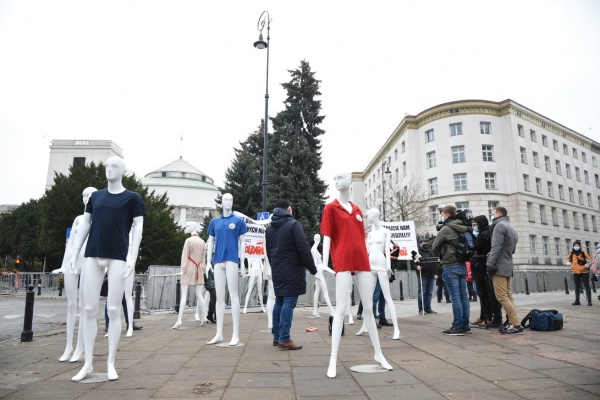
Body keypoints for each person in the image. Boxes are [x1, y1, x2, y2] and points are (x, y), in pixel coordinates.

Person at [69, 156, 146, 381]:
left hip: (118, 257)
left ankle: (111, 362)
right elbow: (86, 223)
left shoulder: (133, 198)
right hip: (93, 254)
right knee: (89, 310)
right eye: (107, 166)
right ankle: (88, 363)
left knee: (113, 310)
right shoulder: (96, 197)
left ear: (123, 171)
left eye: (114, 166)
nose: (109, 170)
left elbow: (138, 228)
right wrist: (75, 251)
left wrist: (133, 256)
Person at [321, 170, 393, 378]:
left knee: (369, 308)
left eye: (339, 177)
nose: (336, 181)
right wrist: (326, 263)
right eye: (334, 178)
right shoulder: (330, 208)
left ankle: (379, 354)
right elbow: (327, 236)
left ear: (349, 180)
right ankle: (333, 359)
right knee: (341, 309)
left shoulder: (358, 210)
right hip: (343, 261)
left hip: (362, 261)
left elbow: (361, 239)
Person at [265, 199, 317, 350]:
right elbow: (303, 248)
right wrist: (312, 268)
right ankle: (285, 338)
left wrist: (275, 264)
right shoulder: (293, 224)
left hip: (278, 269)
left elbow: (269, 251)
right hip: (292, 269)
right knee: (289, 302)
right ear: (288, 209)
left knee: (279, 301)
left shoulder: (269, 228)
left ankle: (276, 336)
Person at [54, 186, 96, 362]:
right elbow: (70, 244)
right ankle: (68, 346)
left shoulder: (99, 219)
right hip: (73, 260)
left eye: (90, 195)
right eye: (84, 195)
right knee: (71, 304)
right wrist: (63, 265)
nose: (86, 198)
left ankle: (80, 346)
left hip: (88, 262)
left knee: (84, 306)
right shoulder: (79, 219)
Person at [206, 193, 247, 346]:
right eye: (226, 200)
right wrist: (208, 261)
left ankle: (235, 334)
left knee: (234, 295)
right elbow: (210, 242)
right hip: (217, 261)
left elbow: (242, 243)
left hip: (231, 259)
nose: (228, 202)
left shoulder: (238, 221)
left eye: (231, 199)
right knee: (219, 297)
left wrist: (243, 262)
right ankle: (219, 333)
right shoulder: (214, 222)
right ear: (221, 203)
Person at [355, 209, 400, 339]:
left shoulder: (386, 231)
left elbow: (386, 249)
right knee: (368, 297)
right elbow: (366, 251)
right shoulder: (370, 234)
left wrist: (388, 266)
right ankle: (365, 325)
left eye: (367, 215)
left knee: (387, 297)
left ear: (374, 216)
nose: (366, 217)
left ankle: (396, 329)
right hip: (370, 266)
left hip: (381, 265)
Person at [431, 205, 470, 336]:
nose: (441, 217)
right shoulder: (462, 227)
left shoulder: (446, 229)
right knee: (463, 296)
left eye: (442, 214)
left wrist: (441, 255)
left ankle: (458, 326)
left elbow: (435, 247)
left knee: (455, 297)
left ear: (446, 215)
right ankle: (465, 325)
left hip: (449, 264)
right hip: (461, 264)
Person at [487, 207, 522, 335]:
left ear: (499, 214)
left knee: (501, 296)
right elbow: (511, 249)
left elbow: (496, 246)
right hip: (508, 263)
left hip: (499, 266)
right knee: (508, 296)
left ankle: (516, 325)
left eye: (493, 213)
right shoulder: (511, 227)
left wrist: (490, 263)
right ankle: (512, 322)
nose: (492, 215)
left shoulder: (499, 226)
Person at [172, 221, 207, 328]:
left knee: (184, 295)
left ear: (193, 227)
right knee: (199, 294)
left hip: (189, 268)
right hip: (198, 268)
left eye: (188, 226)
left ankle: (179, 320)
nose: (186, 227)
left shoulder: (188, 241)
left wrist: (183, 269)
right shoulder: (202, 242)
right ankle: (204, 316)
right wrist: (203, 270)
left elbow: (184, 256)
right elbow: (203, 259)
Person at [470, 215, 502, 329]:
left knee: (489, 295)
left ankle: (490, 318)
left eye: (475, 224)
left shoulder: (485, 234)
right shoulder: (483, 233)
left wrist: (472, 237)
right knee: (482, 294)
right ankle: (483, 316)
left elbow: (475, 246)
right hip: (479, 267)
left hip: (484, 267)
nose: (474, 227)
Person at [311, 234, 335, 318]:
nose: (319, 239)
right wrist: (316, 274)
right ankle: (332, 311)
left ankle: (315, 311)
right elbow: (314, 264)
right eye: (318, 237)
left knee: (317, 291)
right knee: (325, 292)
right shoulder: (314, 249)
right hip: (319, 273)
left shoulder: (314, 249)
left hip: (319, 272)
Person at [412, 237, 437, 315]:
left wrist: (436, 273)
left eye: (427, 242)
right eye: (424, 242)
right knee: (422, 293)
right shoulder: (417, 253)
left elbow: (435, 262)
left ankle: (428, 308)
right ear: (420, 243)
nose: (426, 243)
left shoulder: (430, 251)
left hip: (431, 275)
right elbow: (413, 262)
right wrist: (416, 267)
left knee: (429, 293)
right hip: (423, 275)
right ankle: (421, 309)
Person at [567, 241, 592, 306]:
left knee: (586, 286)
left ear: (580, 246)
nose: (576, 247)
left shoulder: (583, 253)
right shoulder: (572, 254)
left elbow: (589, 260)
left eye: (577, 245)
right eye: (575, 245)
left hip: (584, 271)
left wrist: (586, 265)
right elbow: (567, 260)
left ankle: (589, 300)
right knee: (576, 286)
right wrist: (570, 264)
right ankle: (577, 300)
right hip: (575, 271)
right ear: (573, 246)